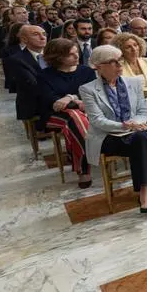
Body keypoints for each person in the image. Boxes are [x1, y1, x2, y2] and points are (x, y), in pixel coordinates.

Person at [80, 45, 147, 219]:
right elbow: (97, 121)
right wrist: (126, 126)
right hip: (107, 136)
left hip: (134, 133)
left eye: (120, 60)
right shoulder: (88, 89)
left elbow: (142, 111)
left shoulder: (134, 82)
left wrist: (136, 124)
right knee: (144, 141)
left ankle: (146, 191)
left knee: (142, 139)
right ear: (99, 67)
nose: (119, 64)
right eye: (112, 62)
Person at [37, 39, 97, 188]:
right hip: (53, 115)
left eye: (76, 52)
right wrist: (77, 101)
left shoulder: (86, 71)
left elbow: (93, 94)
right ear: (57, 57)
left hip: (85, 112)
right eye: (70, 54)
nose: (77, 56)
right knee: (74, 116)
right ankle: (84, 168)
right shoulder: (44, 75)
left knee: (76, 119)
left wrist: (70, 97)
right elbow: (52, 102)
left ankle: (81, 162)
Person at [114, 32, 147, 138]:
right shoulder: (118, 66)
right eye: (128, 47)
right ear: (120, 50)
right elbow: (126, 89)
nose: (134, 49)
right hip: (131, 103)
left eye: (135, 45)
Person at [4, 25, 47, 122]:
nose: (42, 37)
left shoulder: (55, 55)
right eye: (36, 34)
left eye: (44, 34)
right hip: (35, 106)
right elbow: (33, 84)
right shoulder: (16, 60)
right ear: (24, 39)